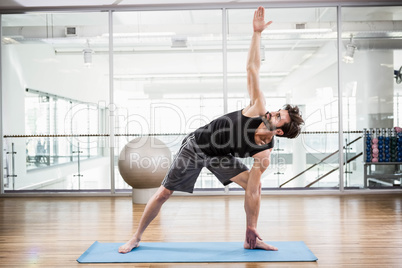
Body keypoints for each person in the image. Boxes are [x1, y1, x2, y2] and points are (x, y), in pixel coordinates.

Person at [119, 6, 304, 254]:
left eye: (279, 116)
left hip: (220, 157)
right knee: (164, 192)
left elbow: (252, 192)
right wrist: (257, 34)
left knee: (255, 185)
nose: (273, 112)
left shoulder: (264, 155)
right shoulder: (257, 108)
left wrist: (251, 226)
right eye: (278, 110)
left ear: (279, 132)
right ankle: (136, 238)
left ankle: (252, 237)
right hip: (197, 146)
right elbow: (252, 69)